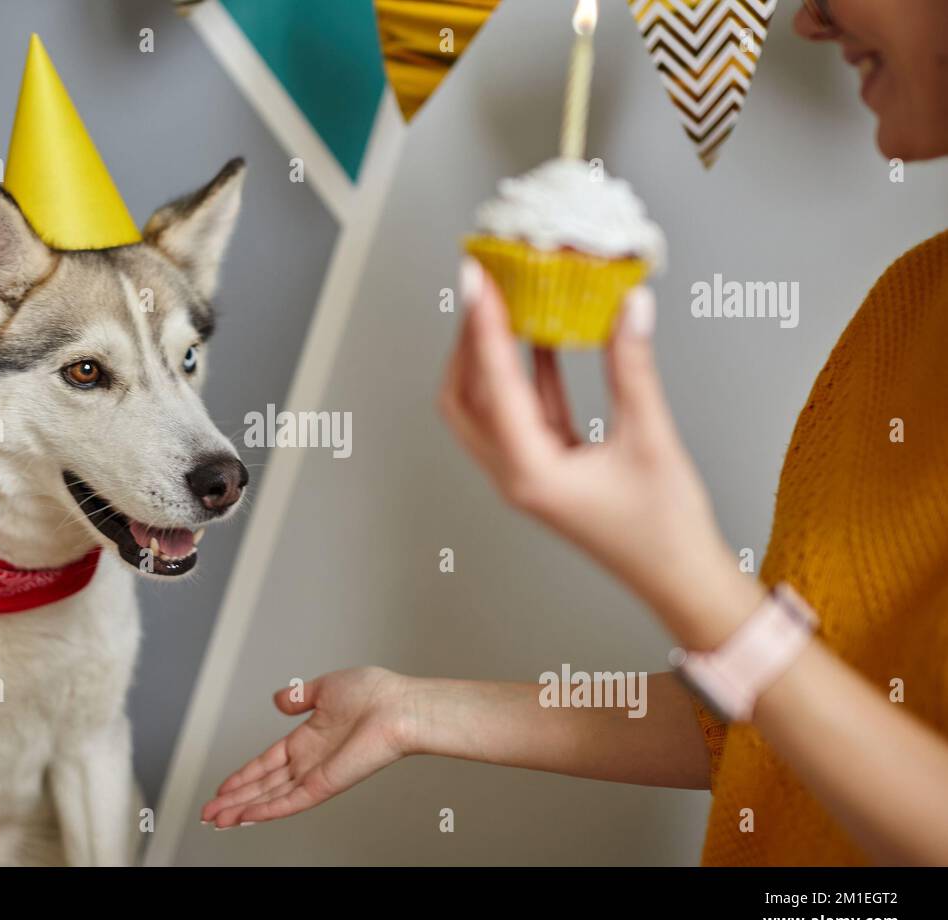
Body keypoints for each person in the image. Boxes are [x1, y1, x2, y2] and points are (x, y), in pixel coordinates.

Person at [200, 0, 948, 865]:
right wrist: (413, 710)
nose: (808, 21)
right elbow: (776, 717)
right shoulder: (910, 307)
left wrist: (690, 581)